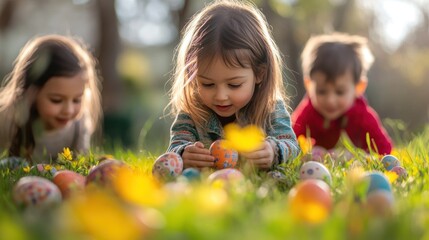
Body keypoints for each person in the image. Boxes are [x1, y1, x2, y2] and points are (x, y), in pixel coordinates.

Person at [165, 0, 300, 170]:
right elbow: (175, 145)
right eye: (207, 84)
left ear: (259, 73)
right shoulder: (192, 113)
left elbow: (292, 146)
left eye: (234, 85)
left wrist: (274, 151)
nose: (221, 96)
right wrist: (184, 153)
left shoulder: (271, 108)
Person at [0, 34, 102, 164]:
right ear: (31, 92)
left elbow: (81, 166)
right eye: (56, 100)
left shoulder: (79, 125)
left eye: (77, 100)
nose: (68, 110)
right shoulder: (7, 119)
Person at [292, 32, 393, 155]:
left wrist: (356, 157)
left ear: (359, 88)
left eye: (340, 92)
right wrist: (309, 153)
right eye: (321, 91)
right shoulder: (307, 113)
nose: (330, 100)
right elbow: (289, 141)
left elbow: (385, 150)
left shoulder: (363, 117)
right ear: (309, 85)